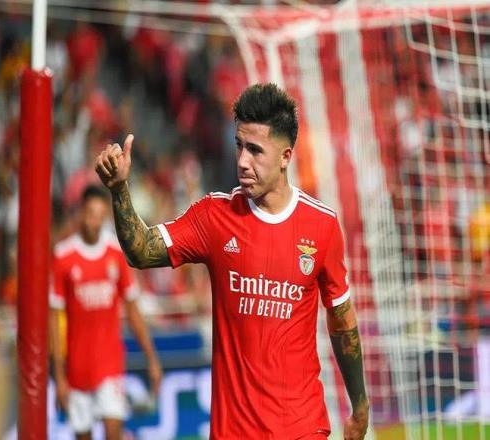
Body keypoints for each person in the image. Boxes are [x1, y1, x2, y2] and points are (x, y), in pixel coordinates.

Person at [95, 83, 369, 439]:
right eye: (239, 146)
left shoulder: (322, 226)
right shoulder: (215, 216)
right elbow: (141, 250)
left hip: (302, 428)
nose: (242, 161)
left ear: (285, 156)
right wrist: (119, 190)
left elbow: (342, 320)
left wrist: (359, 405)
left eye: (255, 150)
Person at [49, 185, 162, 440]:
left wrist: (151, 358)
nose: (95, 222)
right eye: (91, 214)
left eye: (100, 216)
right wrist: (59, 376)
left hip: (110, 366)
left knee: (113, 431)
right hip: (77, 370)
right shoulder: (64, 256)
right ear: (81, 213)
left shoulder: (116, 253)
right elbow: (54, 320)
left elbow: (132, 310)